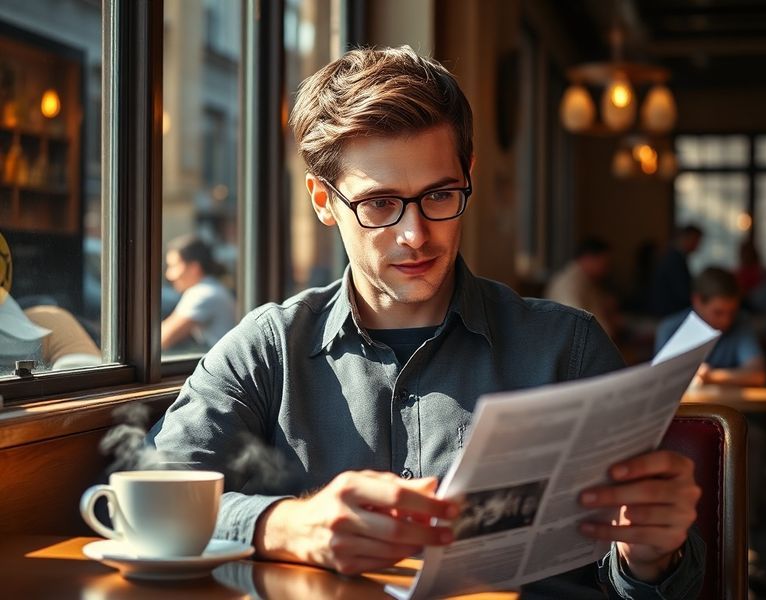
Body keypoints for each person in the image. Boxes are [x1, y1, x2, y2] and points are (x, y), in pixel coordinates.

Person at [148, 46, 704, 598]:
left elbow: (627, 576)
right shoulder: (269, 350)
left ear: (469, 176)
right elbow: (151, 497)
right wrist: (288, 526)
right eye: (381, 204)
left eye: (439, 194)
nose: (415, 235)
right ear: (323, 200)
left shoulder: (567, 347)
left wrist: (650, 556)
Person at [654, 266, 766, 387]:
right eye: (718, 313)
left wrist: (710, 376)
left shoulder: (741, 323)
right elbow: (661, 380)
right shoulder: (670, 328)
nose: (726, 321)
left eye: (732, 312)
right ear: (697, 301)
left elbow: (758, 374)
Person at [161, 234, 236, 352]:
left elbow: (161, 339)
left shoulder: (202, 293)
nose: (168, 275)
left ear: (194, 268)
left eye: (173, 266)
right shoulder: (213, 287)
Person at [545, 237, 618, 337]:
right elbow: (576, 324)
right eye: (605, 264)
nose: (607, 270)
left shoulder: (589, 283)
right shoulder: (567, 283)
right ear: (588, 258)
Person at [650, 224, 703, 318]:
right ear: (686, 238)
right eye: (696, 240)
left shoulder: (677, 257)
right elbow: (683, 292)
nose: (697, 245)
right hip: (669, 312)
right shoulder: (674, 260)